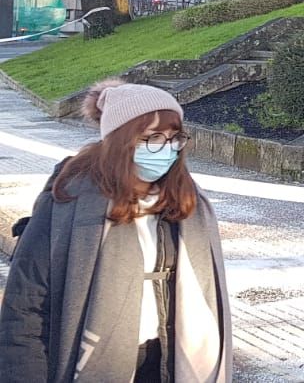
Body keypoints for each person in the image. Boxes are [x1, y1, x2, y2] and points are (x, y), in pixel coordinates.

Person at [0, 80, 232, 382]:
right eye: (153, 137)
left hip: (167, 360)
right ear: (122, 140)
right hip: (92, 361)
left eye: (175, 137)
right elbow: (26, 308)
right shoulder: (68, 201)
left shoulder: (186, 202)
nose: (167, 148)